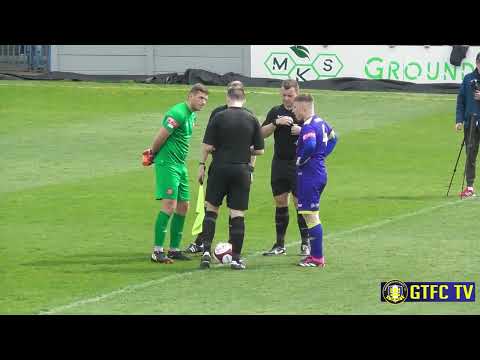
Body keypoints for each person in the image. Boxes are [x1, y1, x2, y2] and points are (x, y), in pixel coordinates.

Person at [184, 80, 256, 254]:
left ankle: (222, 248)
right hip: (228, 167)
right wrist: (202, 164)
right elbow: (256, 148)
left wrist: (251, 168)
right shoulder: (221, 113)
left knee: (216, 208)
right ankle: (205, 243)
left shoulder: (241, 115)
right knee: (216, 207)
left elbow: (207, 143)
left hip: (225, 168)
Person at [198, 86, 264, 270]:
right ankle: (235, 258)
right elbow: (260, 150)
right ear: (243, 100)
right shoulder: (251, 118)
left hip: (219, 168)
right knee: (237, 214)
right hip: (241, 170)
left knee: (211, 209)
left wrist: (201, 166)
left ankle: (205, 253)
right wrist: (245, 150)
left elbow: (206, 145)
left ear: (228, 98)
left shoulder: (218, 116)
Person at [142, 83, 209, 263]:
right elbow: (161, 136)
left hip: (180, 165)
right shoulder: (178, 113)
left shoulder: (192, 115)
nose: (203, 102)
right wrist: (153, 154)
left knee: (184, 205)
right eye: (200, 98)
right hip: (167, 163)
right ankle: (157, 251)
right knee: (169, 205)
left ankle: (174, 249)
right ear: (191, 96)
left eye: (206, 100)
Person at [260, 79, 311, 257]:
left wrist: (301, 130)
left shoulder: (303, 113)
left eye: (290, 95)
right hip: (279, 163)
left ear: (297, 94)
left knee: (299, 203)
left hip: (299, 164)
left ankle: (305, 243)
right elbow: (260, 134)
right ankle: (279, 244)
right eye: (284, 95)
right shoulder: (276, 111)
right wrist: (275, 123)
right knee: (280, 202)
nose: (287, 99)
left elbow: (318, 135)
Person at [292, 94, 337, 267]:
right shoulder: (321, 122)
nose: (294, 111)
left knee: (311, 217)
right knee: (312, 215)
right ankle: (315, 255)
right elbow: (334, 138)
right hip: (319, 172)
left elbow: (310, 145)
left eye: (295, 108)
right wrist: (322, 155)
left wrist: (301, 160)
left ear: (303, 108)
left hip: (310, 175)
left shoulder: (308, 126)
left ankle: (317, 258)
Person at [456, 52, 480, 198]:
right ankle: (470, 187)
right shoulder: (468, 79)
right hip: (470, 122)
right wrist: (459, 120)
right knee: (470, 154)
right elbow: (461, 101)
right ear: (477, 63)